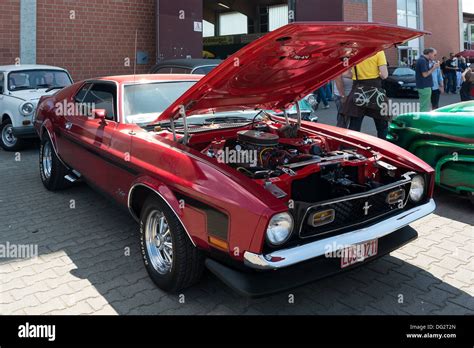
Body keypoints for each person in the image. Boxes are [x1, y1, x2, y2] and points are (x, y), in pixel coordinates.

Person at [343, 50, 389, 139]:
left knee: (354, 125)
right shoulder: (379, 52)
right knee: (382, 125)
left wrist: (356, 75)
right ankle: (383, 149)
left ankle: (350, 149)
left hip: (358, 89)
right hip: (375, 90)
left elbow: (345, 73)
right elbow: (384, 75)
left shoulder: (350, 53)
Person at [415, 48, 439, 112]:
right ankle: (422, 120)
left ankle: (422, 118)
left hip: (424, 85)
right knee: (424, 106)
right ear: (430, 53)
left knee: (425, 105)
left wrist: (432, 67)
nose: (435, 57)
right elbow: (425, 74)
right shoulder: (422, 60)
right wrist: (434, 68)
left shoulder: (423, 60)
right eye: (434, 55)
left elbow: (426, 72)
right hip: (424, 86)